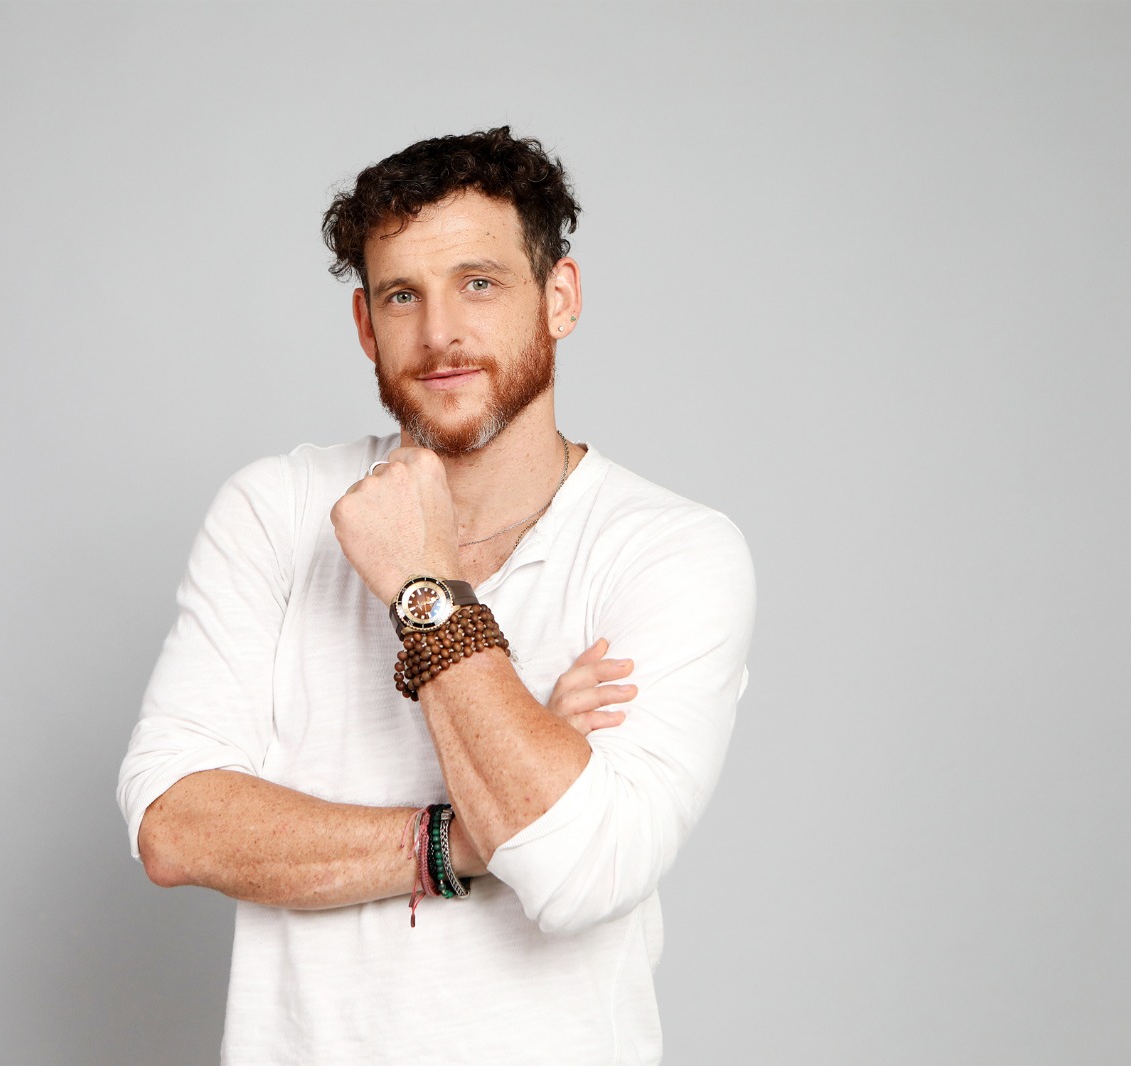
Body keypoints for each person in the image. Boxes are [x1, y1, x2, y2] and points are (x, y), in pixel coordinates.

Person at [117, 127, 755, 1064]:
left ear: (561, 298)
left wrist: (425, 584)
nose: (439, 333)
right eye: (402, 295)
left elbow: (580, 875)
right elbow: (175, 828)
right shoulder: (278, 509)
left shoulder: (670, 550)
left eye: (479, 283)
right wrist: (471, 835)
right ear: (365, 325)